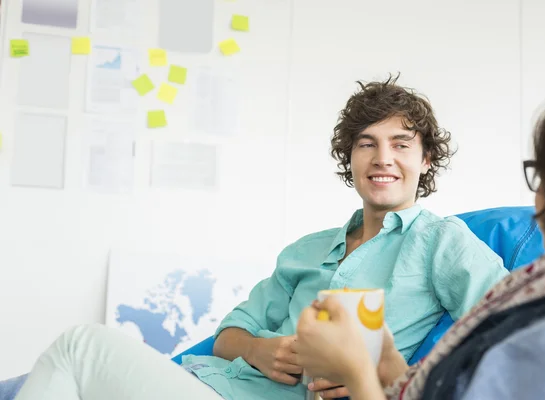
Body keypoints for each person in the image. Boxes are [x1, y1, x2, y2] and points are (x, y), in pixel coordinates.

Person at [7, 74, 507, 400]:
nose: (383, 158)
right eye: (366, 144)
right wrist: (256, 350)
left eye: (401, 145)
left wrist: (390, 377)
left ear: (425, 160)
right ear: (348, 158)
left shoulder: (442, 240)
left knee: (79, 346)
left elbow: (514, 323)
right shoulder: (307, 250)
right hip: (206, 382)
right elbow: (228, 335)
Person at [293, 84, 545, 400]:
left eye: (543, 176)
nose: (382, 159)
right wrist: (386, 361)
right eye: (367, 144)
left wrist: (358, 373)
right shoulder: (543, 288)